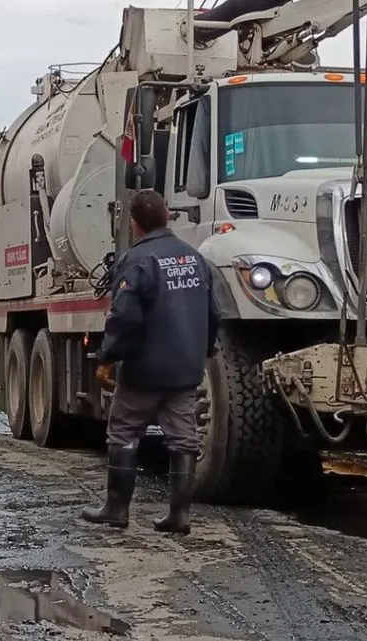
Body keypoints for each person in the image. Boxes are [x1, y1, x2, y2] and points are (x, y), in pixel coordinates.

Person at [81, 189, 220, 535]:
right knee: (184, 439)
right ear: (168, 215)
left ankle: (116, 509)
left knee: (124, 433)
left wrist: (107, 356)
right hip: (185, 369)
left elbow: (124, 315)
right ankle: (179, 516)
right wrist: (204, 349)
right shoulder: (195, 259)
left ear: (134, 223)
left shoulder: (136, 260)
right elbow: (214, 312)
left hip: (145, 369)